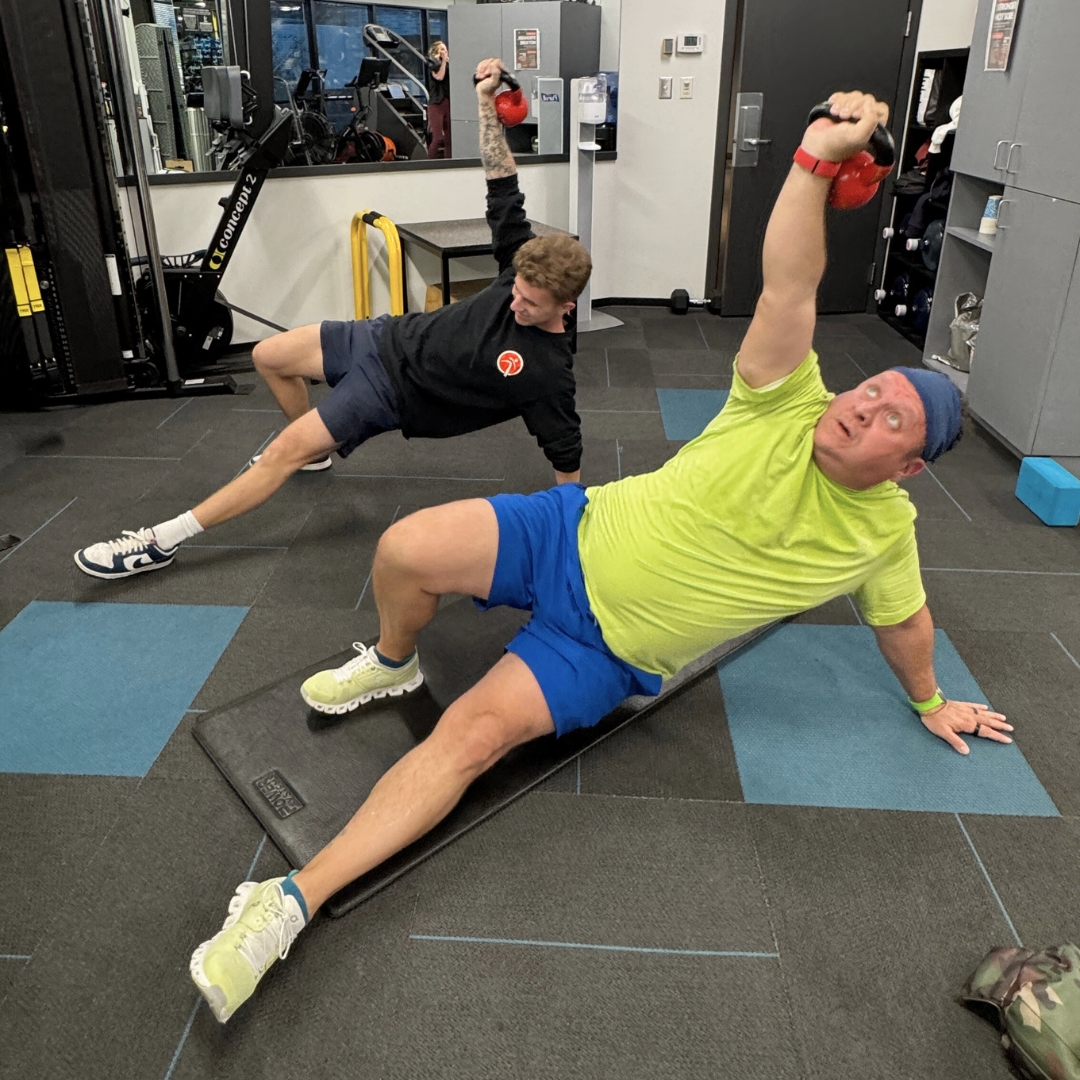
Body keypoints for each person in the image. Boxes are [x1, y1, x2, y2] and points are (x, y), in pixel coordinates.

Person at [189, 91, 1014, 1023]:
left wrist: (932, 699)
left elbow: (904, 619)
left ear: (907, 466)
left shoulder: (883, 536)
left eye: (889, 419)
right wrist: (813, 163)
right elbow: (789, 283)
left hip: (601, 650)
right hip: (570, 531)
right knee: (404, 547)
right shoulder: (785, 400)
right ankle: (390, 662)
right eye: (869, 391)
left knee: (469, 736)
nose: (861, 407)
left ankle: (286, 905)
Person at [72, 58, 588, 580]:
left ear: (565, 307)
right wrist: (484, 103)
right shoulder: (520, 259)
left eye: (530, 304)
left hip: (394, 390)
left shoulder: (547, 371)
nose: (516, 304)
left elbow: (565, 453)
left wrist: (574, 540)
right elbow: (501, 182)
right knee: (268, 357)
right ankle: (314, 451)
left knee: (279, 453)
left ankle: (161, 541)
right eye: (515, 291)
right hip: (382, 336)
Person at [426, 40, 451, 159]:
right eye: (442, 50)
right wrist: (444, 62)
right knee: (438, 137)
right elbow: (439, 77)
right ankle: (430, 161)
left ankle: (449, 161)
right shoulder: (433, 63)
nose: (444, 52)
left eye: (445, 50)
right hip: (436, 104)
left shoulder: (449, 65)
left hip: (448, 102)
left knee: (449, 137)